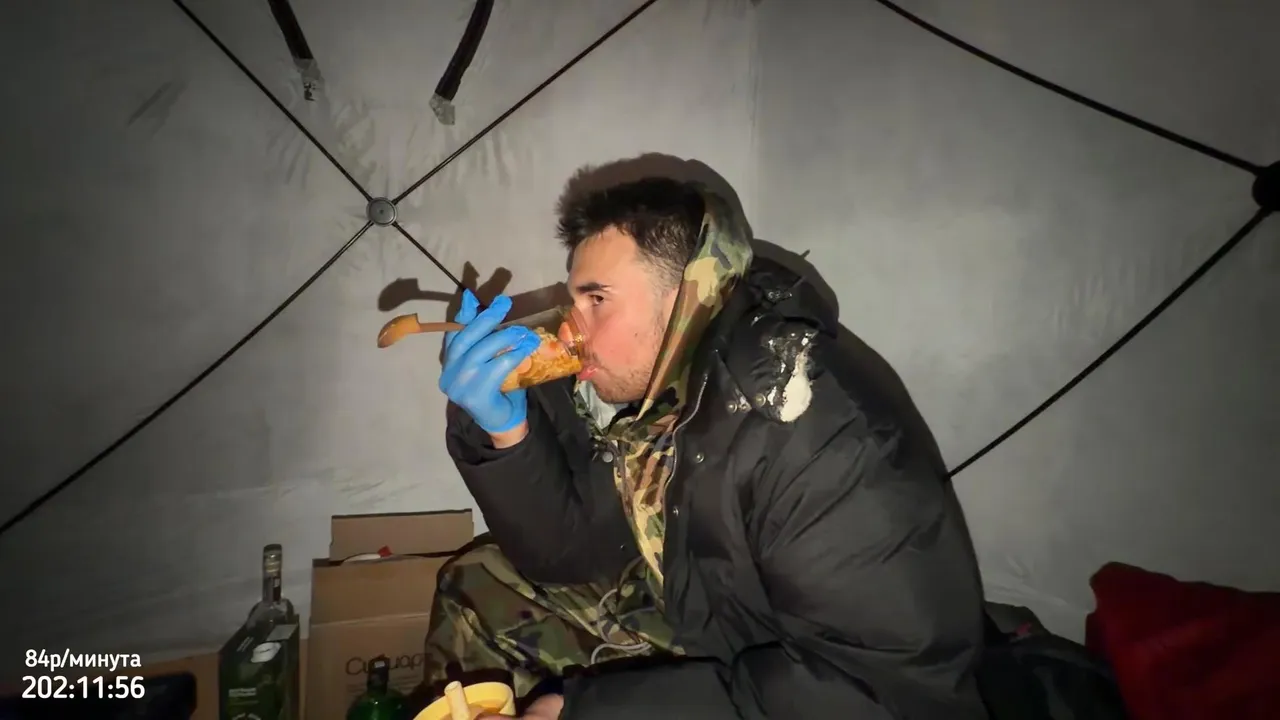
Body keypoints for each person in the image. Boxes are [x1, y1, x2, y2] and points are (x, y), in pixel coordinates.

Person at [424, 175, 990, 719]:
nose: (571, 329)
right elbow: (571, 553)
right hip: (705, 611)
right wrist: (506, 432)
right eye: (575, 303)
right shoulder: (672, 399)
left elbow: (881, 696)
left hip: (801, 675)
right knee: (474, 580)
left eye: (597, 300)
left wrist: (585, 710)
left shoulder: (820, 437)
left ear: (685, 297)